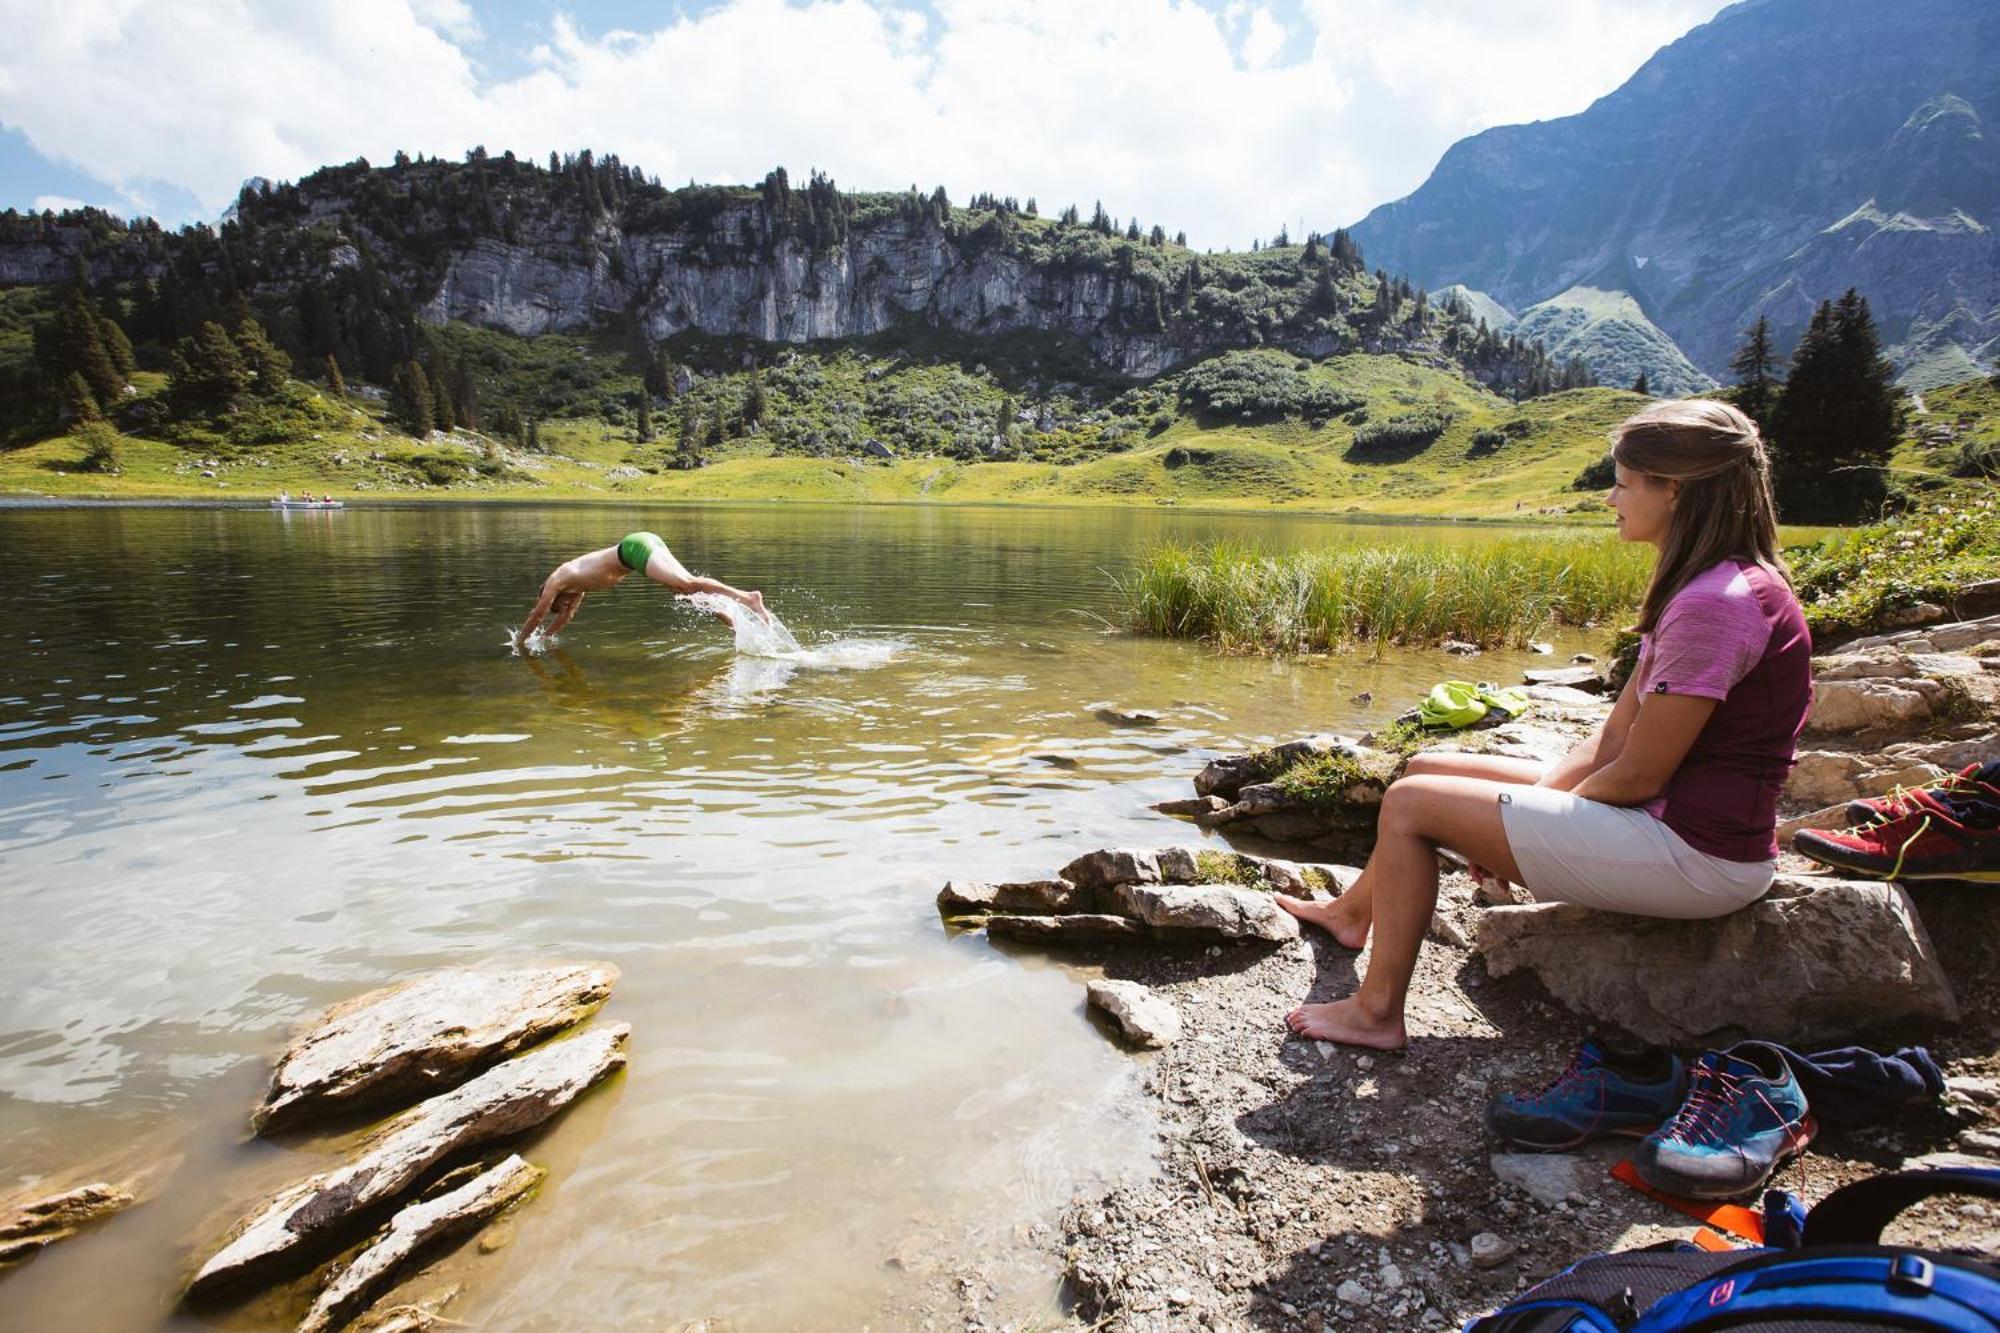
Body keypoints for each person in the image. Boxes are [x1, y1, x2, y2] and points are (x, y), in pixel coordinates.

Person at [1275, 399, 1812, 1050]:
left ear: (1674, 490)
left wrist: (1532, 830)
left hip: (1699, 856)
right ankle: (1351, 913)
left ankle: (1375, 1011)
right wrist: (1529, 814)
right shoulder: (1711, 585)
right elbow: (1614, 740)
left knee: (1414, 805)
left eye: (1622, 482)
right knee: (1423, 770)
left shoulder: (1712, 605)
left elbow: (1641, 772)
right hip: (1677, 825)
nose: (1611, 498)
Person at [515, 531, 770, 648]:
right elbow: (565, 618)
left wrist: (519, 642)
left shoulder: (558, 579)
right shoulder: (577, 589)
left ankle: (749, 598)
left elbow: (537, 614)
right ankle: (736, 627)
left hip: (635, 549)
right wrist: (546, 638)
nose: (568, 607)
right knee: (688, 595)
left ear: (555, 597)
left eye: (562, 604)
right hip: (638, 553)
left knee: (688, 583)